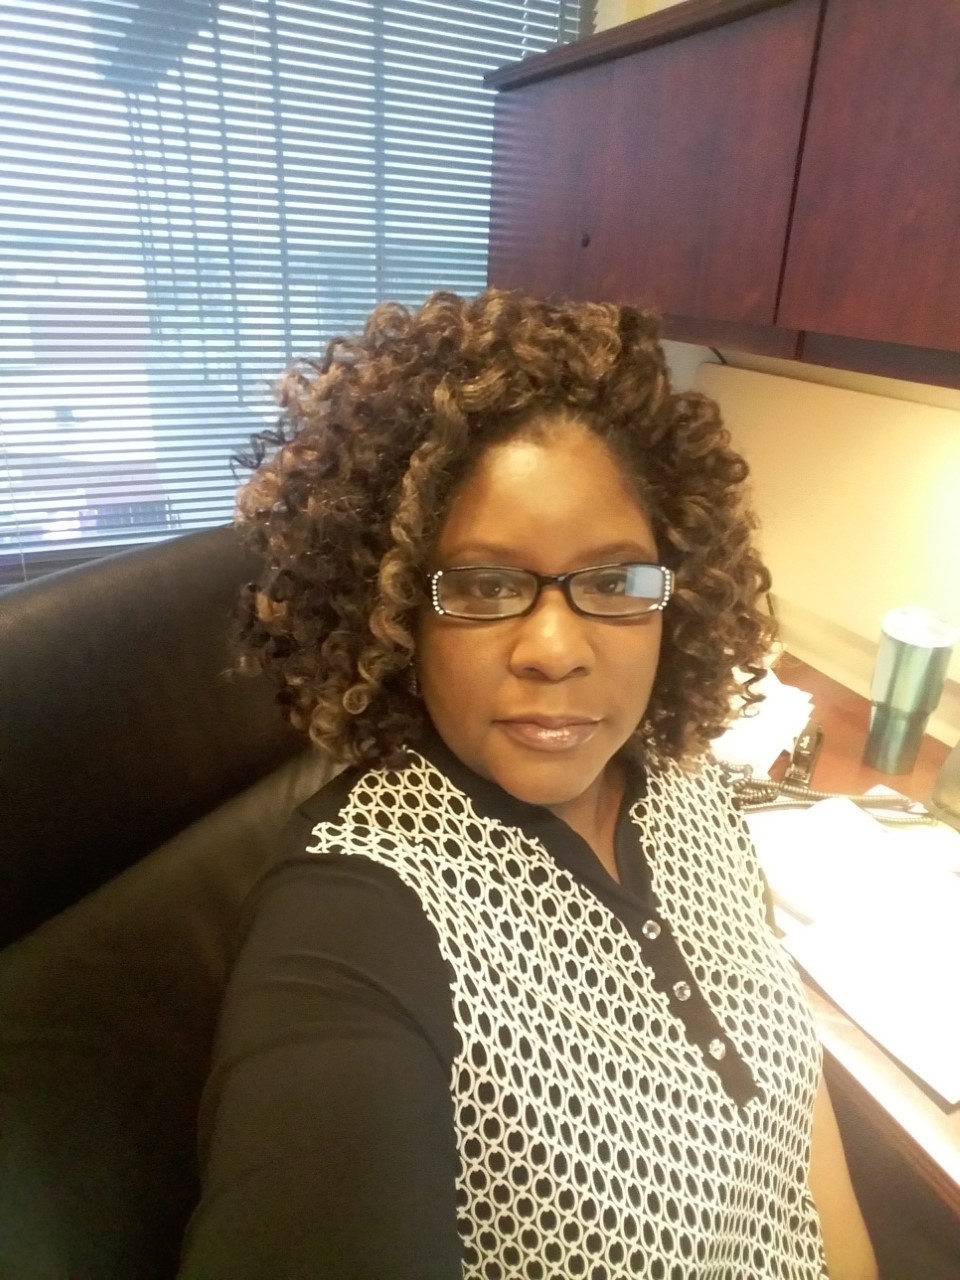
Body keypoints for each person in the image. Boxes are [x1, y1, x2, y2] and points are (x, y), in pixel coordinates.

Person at [177, 290, 878, 1280]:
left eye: (616, 581)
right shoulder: (352, 922)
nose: (555, 649)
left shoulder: (682, 778)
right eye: (483, 585)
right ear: (393, 610)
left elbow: (793, 1098)